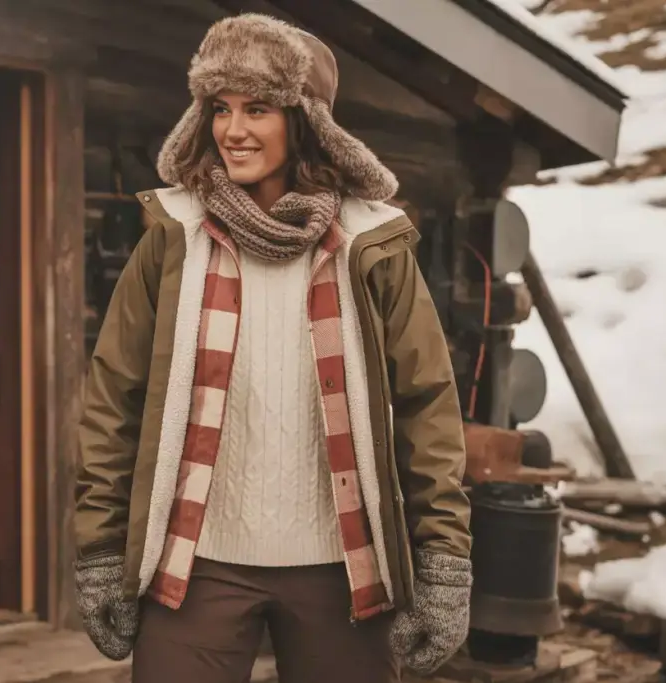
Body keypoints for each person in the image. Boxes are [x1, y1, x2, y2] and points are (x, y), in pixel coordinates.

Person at [74, 13, 472, 683]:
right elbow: (114, 396)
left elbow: (426, 405)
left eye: (257, 107)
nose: (232, 130)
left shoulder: (373, 245)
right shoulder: (173, 236)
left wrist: (442, 561)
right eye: (220, 107)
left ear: (307, 119)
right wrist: (100, 552)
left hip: (345, 565)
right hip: (195, 562)